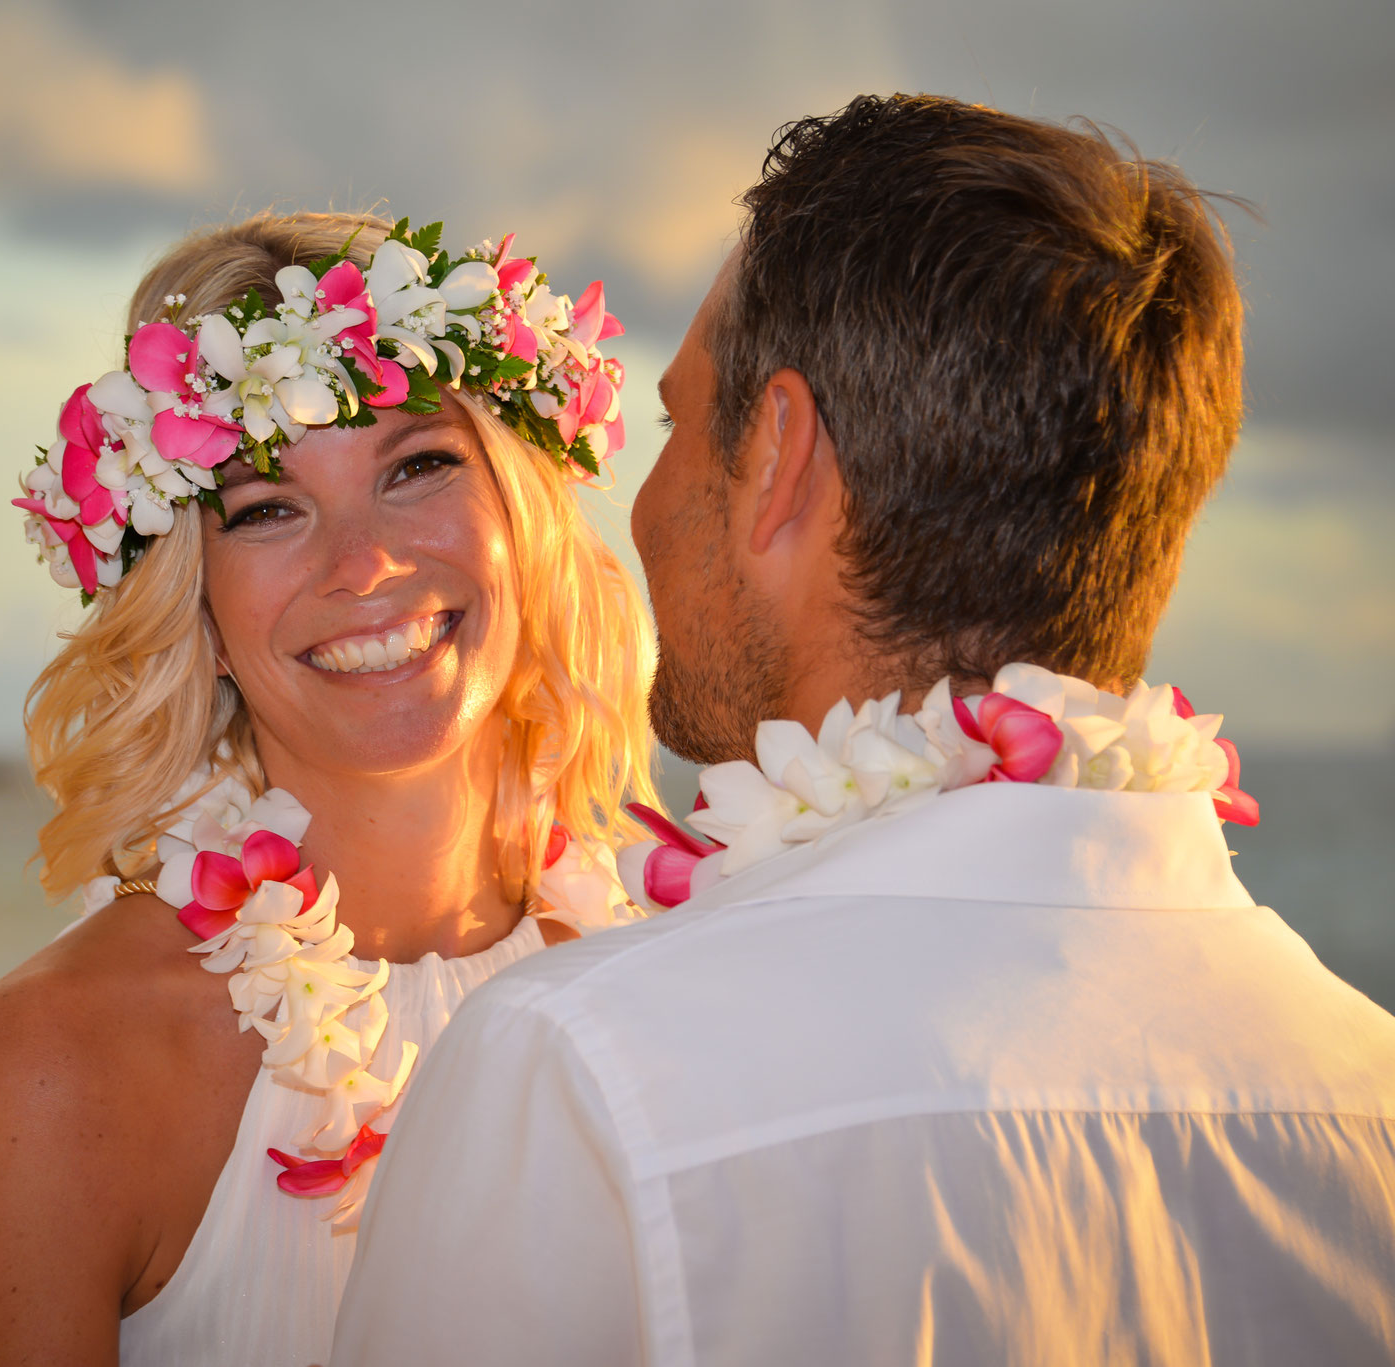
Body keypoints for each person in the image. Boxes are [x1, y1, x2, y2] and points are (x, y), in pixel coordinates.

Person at [335, 95, 1395, 1365]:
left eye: (675, 425)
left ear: (778, 453)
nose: (644, 505)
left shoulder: (578, 1074)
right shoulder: (1365, 1087)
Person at [0, 210, 659, 1366]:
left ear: (525, 521)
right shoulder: (53, 1062)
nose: (364, 564)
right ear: (192, 615)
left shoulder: (663, 979)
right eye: (265, 509)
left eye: (415, 466)